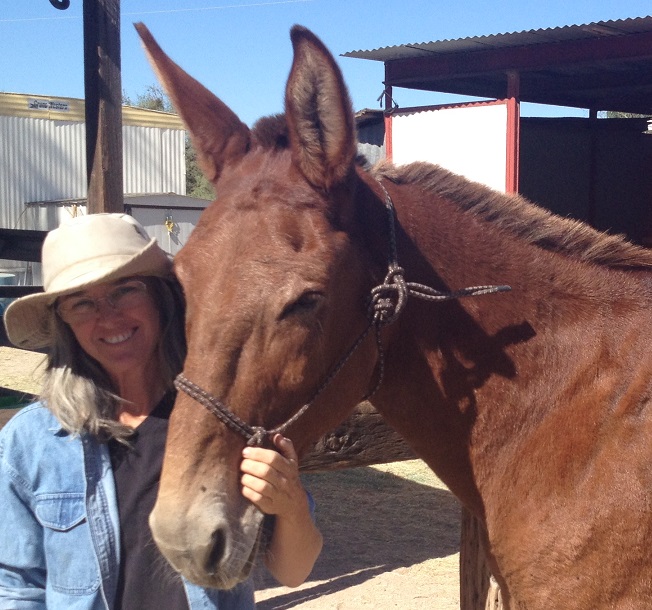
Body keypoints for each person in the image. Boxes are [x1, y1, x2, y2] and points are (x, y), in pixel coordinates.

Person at [0, 213, 322, 610]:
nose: (108, 316)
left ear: (160, 297)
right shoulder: (30, 442)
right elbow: (17, 589)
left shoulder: (227, 422)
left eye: (125, 290)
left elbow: (294, 571)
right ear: (64, 322)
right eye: (81, 302)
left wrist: (289, 505)